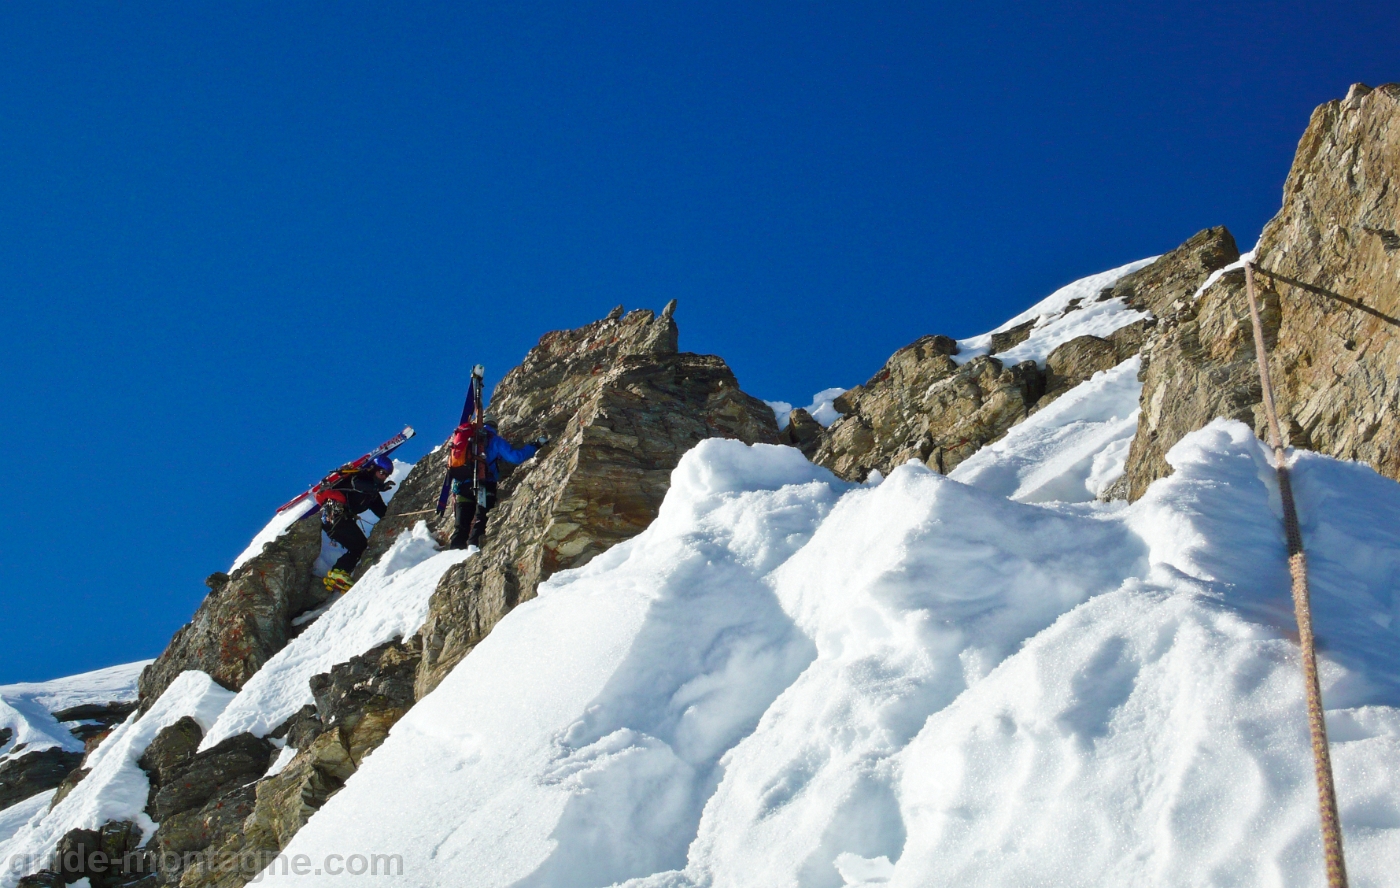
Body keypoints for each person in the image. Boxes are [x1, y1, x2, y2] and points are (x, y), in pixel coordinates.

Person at [446, 423, 546, 550]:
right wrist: (535, 445)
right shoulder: (493, 439)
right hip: (484, 485)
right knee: (481, 519)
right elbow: (516, 457)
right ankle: (474, 548)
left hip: (461, 486)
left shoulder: (465, 439)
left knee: (461, 525)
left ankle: (454, 552)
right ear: (494, 426)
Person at [321, 455, 396, 592]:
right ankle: (339, 572)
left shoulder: (372, 496)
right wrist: (378, 487)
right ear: (373, 469)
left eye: (386, 475)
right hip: (335, 516)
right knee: (360, 545)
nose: (383, 477)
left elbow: (382, 512)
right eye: (382, 472)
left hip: (339, 521)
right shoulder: (359, 477)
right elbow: (358, 485)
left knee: (359, 546)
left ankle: (338, 573)